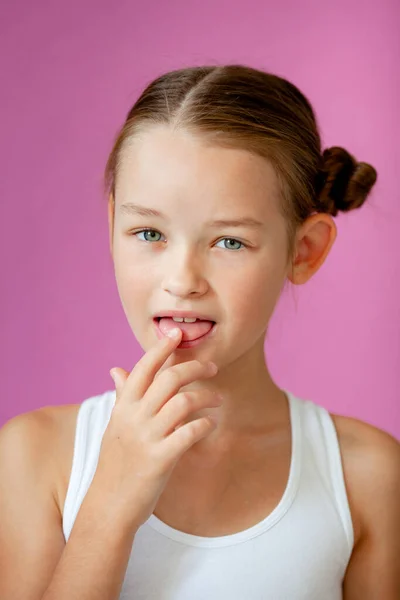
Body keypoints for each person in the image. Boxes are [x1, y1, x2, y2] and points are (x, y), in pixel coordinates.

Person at [0, 64, 399, 600]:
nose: (182, 281)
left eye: (229, 242)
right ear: (112, 225)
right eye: (149, 233)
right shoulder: (33, 459)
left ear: (304, 250)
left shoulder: (366, 478)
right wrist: (108, 510)